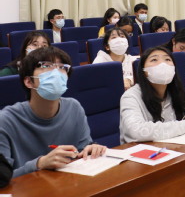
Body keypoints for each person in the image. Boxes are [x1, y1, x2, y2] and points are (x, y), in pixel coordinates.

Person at [0, 47, 106, 178]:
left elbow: (82, 151)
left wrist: (91, 149)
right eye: (46, 66)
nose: (56, 72)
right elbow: (3, 180)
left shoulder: (74, 107)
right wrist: (39, 164)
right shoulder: (5, 120)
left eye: (62, 67)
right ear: (28, 81)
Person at [119, 47, 185, 144]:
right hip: (142, 151)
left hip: (171, 148)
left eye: (167, 59)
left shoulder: (175, 92)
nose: (163, 64)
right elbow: (135, 131)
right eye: (154, 60)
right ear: (143, 71)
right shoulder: (130, 97)